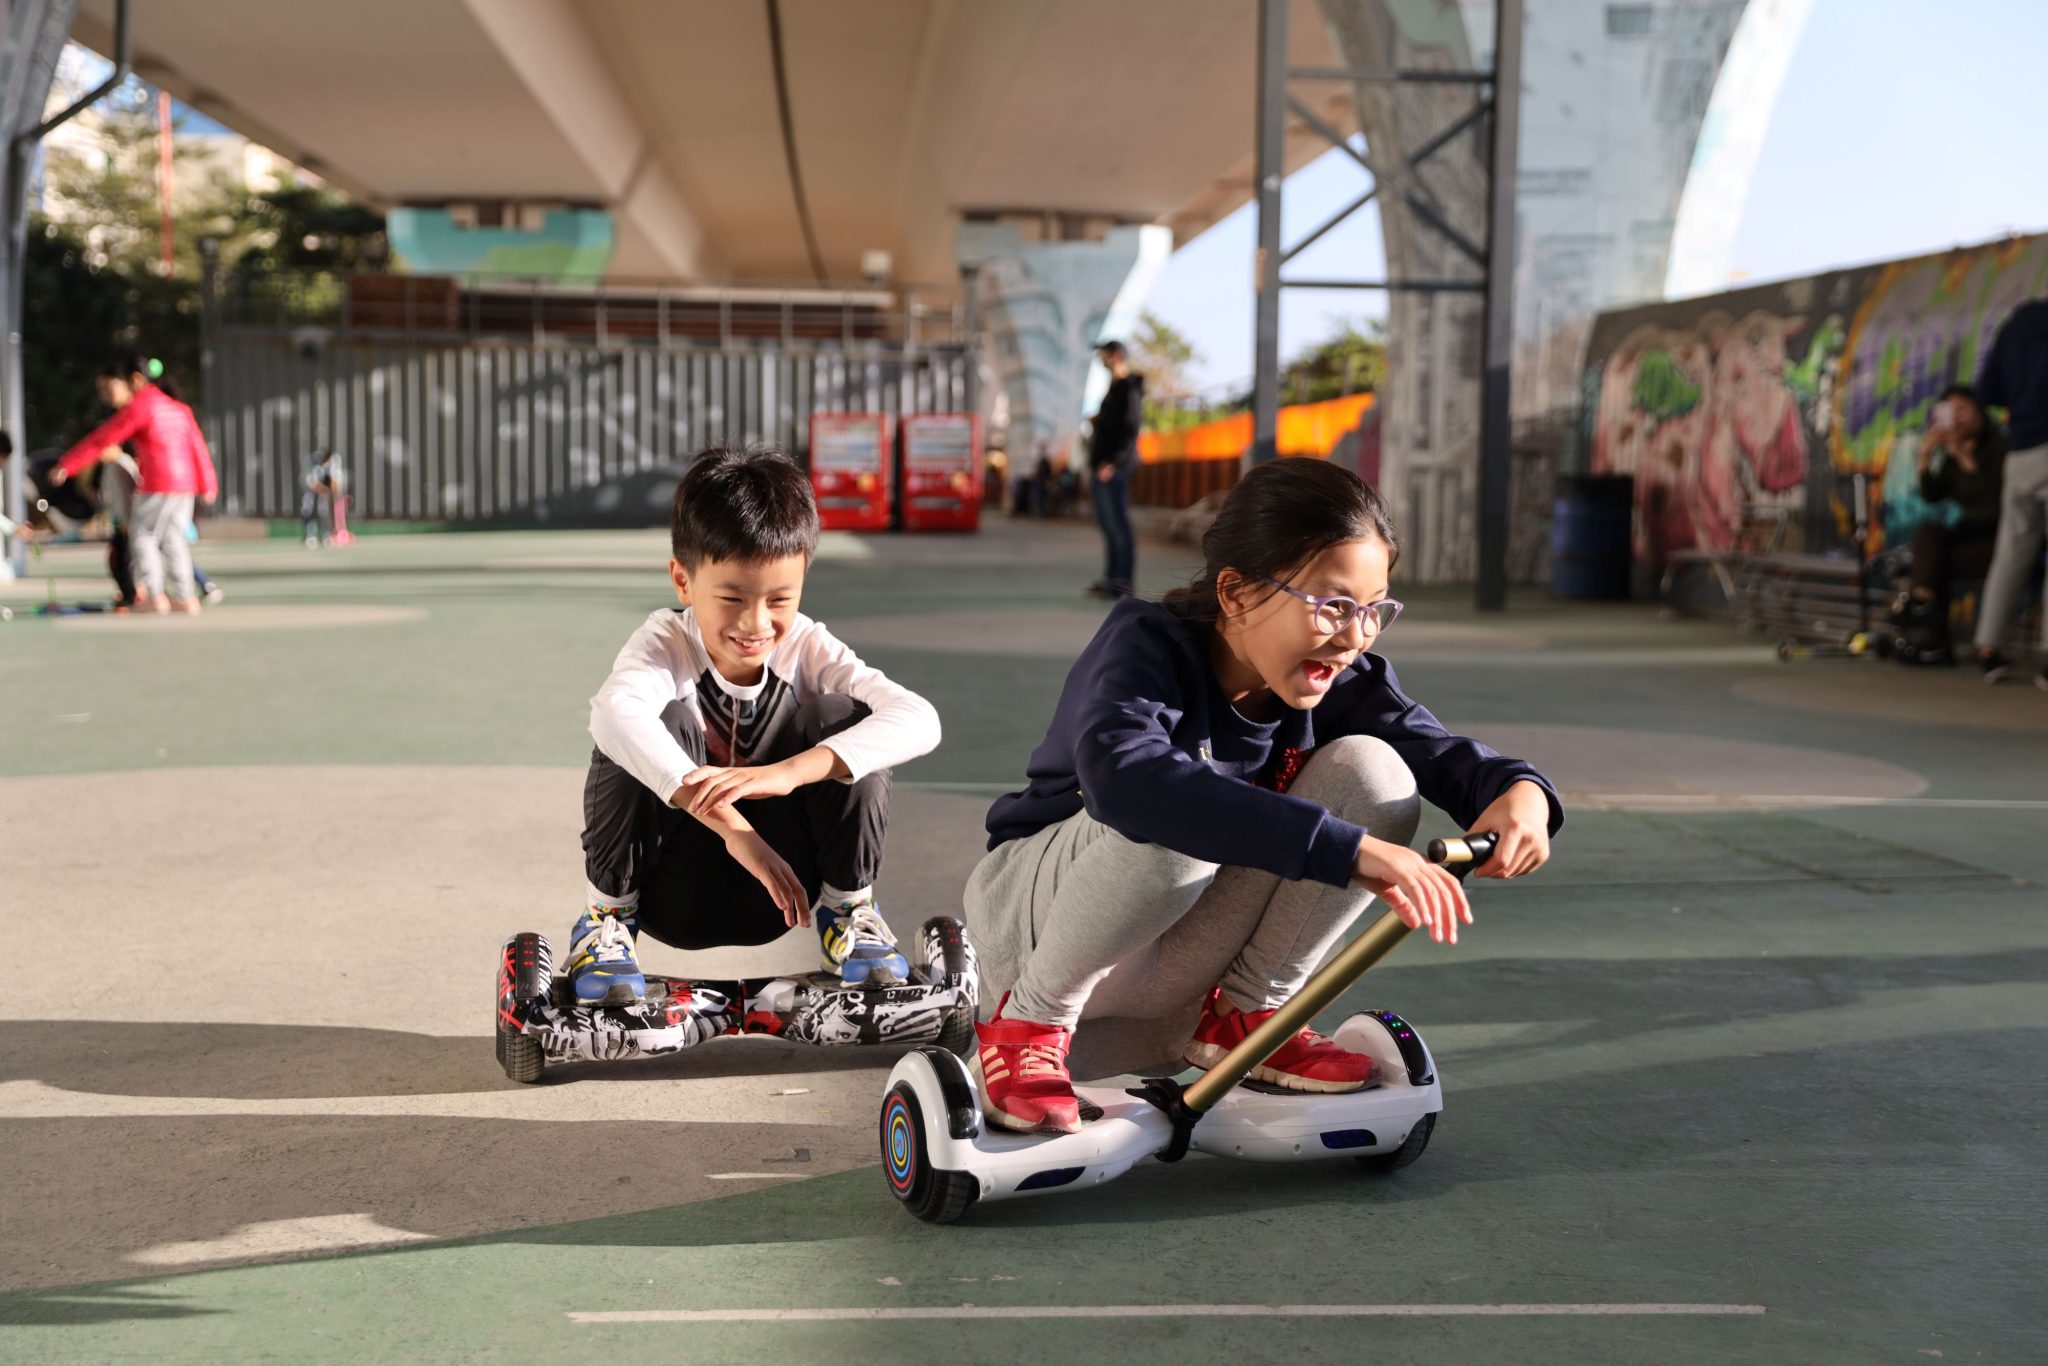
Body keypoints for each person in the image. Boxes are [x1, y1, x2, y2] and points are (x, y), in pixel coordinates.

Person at [962, 458, 1562, 1133]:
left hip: (1177, 956)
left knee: (1377, 775)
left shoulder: (1346, 680)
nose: (1355, 634)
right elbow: (1126, 780)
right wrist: (1349, 851)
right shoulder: (1146, 646)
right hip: (1038, 930)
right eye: (1334, 605)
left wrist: (1520, 793)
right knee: (1175, 819)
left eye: (1374, 610)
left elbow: (1444, 755)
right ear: (1237, 594)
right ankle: (1028, 1025)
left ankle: (1248, 1015)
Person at [570, 445, 943, 1006]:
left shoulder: (808, 647)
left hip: (784, 895)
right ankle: (606, 925)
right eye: (731, 597)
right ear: (682, 581)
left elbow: (919, 718)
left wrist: (789, 773)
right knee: (644, 728)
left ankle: (849, 916)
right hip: (668, 891)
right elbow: (613, 714)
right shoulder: (664, 644)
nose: (756, 622)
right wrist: (736, 831)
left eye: (779, 599)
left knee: (845, 719)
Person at [50, 354, 218, 615]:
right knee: (173, 539)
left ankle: (154, 596)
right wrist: (208, 483)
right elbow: (197, 446)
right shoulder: (178, 407)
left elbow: (103, 438)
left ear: (136, 380)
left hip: (158, 482)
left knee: (143, 537)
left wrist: (67, 464)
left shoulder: (142, 406)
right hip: (184, 485)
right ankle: (185, 597)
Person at [1889, 386, 2007, 664]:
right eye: (1952, 411)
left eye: (1964, 408)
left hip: (1999, 539)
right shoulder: (1952, 453)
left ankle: (1922, 611)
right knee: (1933, 554)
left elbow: (1993, 497)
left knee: (1935, 544)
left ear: (1980, 410)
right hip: (1968, 539)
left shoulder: (1999, 446)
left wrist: (1962, 456)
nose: (1959, 417)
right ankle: (1931, 637)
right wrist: (1925, 456)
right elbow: (1932, 494)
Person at [1972, 299, 2048, 688]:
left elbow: (1988, 391)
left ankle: (1988, 648)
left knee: (2011, 552)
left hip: (2020, 450)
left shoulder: (2018, 322)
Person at [1085, 340, 1144, 599]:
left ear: (1117, 355)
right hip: (1103, 466)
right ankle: (1112, 579)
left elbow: (1130, 429)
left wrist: (1113, 462)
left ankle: (1122, 583)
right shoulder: (1116, 388)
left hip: (1112, 468)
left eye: (1105, 355)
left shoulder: (1128, 388)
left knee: (1118, 526)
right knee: (1109, 526)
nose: (1101, 359)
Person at [302, 448, 346, 547]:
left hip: (324, 487)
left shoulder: (334, 460)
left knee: (323, 511)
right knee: (308, 509)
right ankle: (310, 535)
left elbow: (335, 480)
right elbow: (311, 482)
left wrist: (334, 492)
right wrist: (324, 490)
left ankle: (326, 535)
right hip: (311, 489)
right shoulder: (311, 461)